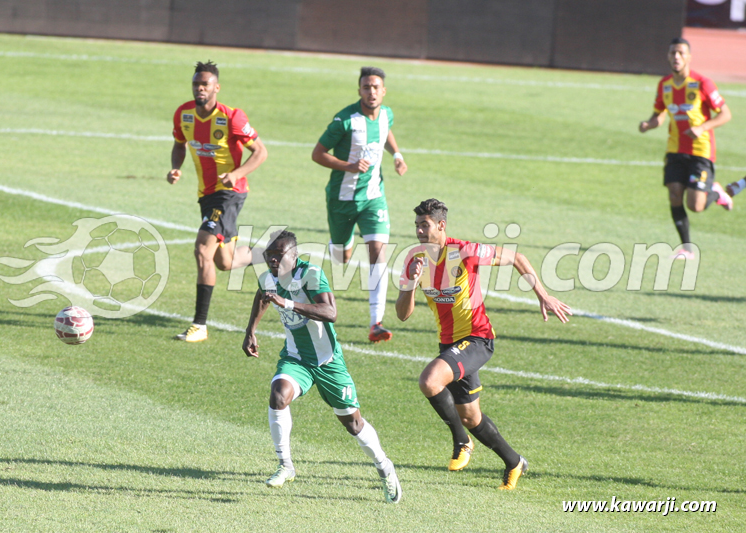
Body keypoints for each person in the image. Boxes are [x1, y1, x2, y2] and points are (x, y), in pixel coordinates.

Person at [395, 199, 572, 490]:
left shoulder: (464, 251)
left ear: (441, 225)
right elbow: (403, 315)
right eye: (416, 226)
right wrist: (411, 283)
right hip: (449, 345)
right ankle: (514, 462)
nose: (419, 232)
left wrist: (542, 294)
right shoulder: (415, 258)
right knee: (470, 415)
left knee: (429, 381)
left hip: (477, 338)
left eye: (424, 225)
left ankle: (461, 441)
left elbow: (517, 258)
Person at [242, 230, 402, 503]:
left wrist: (289, 302)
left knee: (353, 424)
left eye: (279, 256)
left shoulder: (311, 274)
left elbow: (330, 312)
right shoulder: (268, 277)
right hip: (296, 358)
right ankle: (286, 465)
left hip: (328, 362)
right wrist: (250, 331)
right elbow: (262, 295)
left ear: (294, 256)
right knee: (278, 395)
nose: (273, 261)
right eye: (270, 256)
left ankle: (385, 467)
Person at [168, 61, 268, 342]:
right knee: (224, 261)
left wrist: (235, 174)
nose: (200, 89)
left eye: (206, 85)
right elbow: (179, 144)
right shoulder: (184, 114)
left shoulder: (232, 117)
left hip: (229, 194)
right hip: (206, 194)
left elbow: (260, 152)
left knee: (203, 250)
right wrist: (177, 168)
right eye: (196, 84)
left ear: (216, 87)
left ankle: (199, 325)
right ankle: (270, 253)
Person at [312, 66, 407, 343]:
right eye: (366, 87)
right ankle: (340, 243)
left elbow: (386, 131)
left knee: (378, 252)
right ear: (359, 91)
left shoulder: (386, 114)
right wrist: (348, 166)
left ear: (384, 91)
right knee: (341, 256)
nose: (372, 92)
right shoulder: (345, 120)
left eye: (376, 87)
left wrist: (397, 155)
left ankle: (376, 323)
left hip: (374, 198)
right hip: (341, 199)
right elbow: (317, 154)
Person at [638, 38, 732, 260]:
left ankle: (716, 192)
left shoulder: (703, 83)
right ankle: (687, 249)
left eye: (680, 53)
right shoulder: (665, 85)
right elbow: (659, 113)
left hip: (700, 151)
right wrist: (649, 124)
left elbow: (726, 114)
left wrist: (703, 127)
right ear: (668, 57)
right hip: (675, 149)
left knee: (696, 205)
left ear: (689, 57)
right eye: (672, 53)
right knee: (674, 194)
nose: (676, 57)